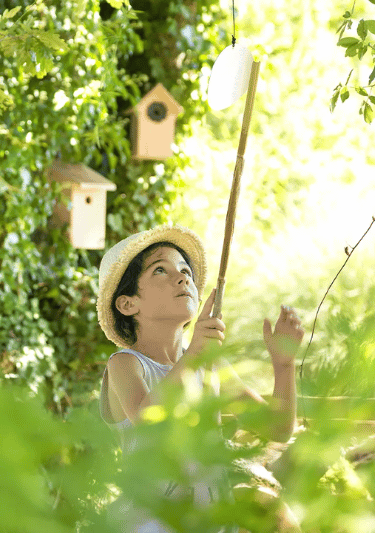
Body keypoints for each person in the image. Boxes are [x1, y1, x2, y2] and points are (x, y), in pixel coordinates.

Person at [97, 224, 304, 533]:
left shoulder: (210, 365)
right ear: (128, 304)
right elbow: (147, 418)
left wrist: (283, 365)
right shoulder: (125, 364)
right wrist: (194, 353)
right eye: (160, 270)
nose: (182, 278)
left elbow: (277, 429)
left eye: (185, 271)